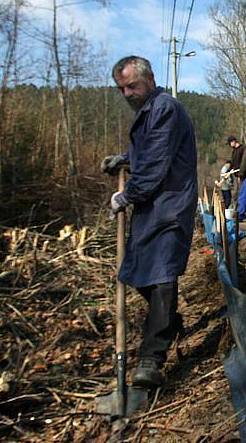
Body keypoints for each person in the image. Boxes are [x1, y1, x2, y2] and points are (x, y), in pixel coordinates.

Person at [101, 55, 197, 387]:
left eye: (132, 86)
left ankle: (150, 358)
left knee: (161, 276)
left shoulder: (165, 108)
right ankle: (168, 321)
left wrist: (126, 196)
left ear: (150, 79)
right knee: (135, 271)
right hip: (151, 206)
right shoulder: (148, 112)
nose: (127, 93)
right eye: (121, 88)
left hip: (169, 204)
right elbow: (146, 151)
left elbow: (156, 162)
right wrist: (124, 160)